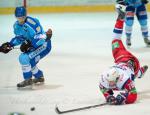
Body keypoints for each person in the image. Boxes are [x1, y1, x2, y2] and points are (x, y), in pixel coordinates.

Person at [99, 5, 148, 105]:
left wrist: (124, 98)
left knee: (134, 74)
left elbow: (133, 95)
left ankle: (139, 72)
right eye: (110, 81)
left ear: (118, 78)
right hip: (121, 57)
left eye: (113, 82)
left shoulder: (124, 79)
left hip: (132, 62)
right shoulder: (104, 78)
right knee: (115, 41)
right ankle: (140, 73)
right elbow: (103, 88)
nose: (111, 84)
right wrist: (108, 96)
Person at [0, 6, 52, 88]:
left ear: (26, 15)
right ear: (16, 17)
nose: (20, 19)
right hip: (33, 46)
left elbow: (42, 37)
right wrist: (10, 44)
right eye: (18, 17)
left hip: (44, 45)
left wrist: (30, 44)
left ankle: (28, 79)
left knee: (24, 58)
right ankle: (39, 77)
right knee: (29, 61)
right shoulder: (16, 26)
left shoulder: (32, 23)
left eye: (23, 17)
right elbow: (19, 38)